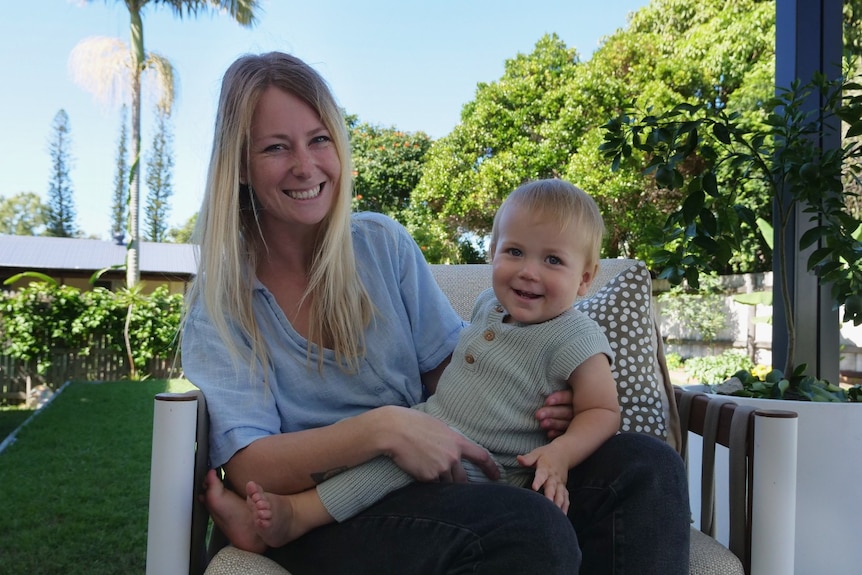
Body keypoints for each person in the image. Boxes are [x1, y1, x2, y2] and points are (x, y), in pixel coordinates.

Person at [181, 51, 690, 575]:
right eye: (275, 147)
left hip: (437, 482)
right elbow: (249, 468)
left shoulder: (381, 245)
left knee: (646, 467)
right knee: (526, 529)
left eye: (320, 139)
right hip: (327, 510)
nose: (306, 166)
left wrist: (530, 397)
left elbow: (452, 369)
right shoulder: (220, 306)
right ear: (240, 165)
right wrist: (385, 430)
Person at [217, 179, 623, 549]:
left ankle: (297, 515)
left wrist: (564, 448)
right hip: (432, 429)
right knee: (383, 459)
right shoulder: (489, 306)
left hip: (498, 461)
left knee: (642, 460)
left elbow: (603, 410)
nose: (529, 271)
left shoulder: (576, 337)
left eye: (553, 260)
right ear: (492, 253)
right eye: (514, 252)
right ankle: (289, 516)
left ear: (585, 279)